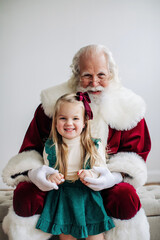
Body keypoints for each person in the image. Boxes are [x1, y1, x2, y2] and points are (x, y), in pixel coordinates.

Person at [2, 44, 151, 240]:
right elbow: (32, 148)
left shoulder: (129, 109)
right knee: (25, 194)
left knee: (124, 197)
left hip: (104, 182)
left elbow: (135, 155)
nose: (94, 82)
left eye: (101, 75)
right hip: (61, 184)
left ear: (111, 75)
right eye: (87, 75)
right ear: (76, 74)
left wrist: (112, 177)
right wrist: (35, 172)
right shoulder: (52, 104)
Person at [36, 92, 115, 240]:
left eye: (75, 118)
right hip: (63, 196)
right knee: (67, 236)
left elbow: (102, 171)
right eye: (63, 118)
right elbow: (46, 170)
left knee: (96, 235)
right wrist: (51, 176)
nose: (69, 123)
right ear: (55, 122)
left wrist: (91, 174)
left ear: (84, 122)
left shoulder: (93, 145)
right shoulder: (51, 147)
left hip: (88, 195)